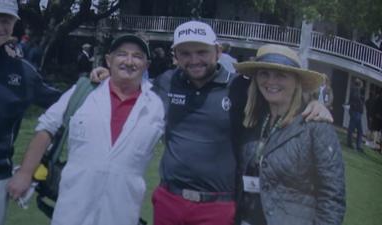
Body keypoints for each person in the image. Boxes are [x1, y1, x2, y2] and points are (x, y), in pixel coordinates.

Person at [90, 21, 332, 225]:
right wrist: (108, 74)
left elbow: (278, 95)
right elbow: (130, 88)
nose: (194, 60)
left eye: (202, 52)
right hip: (168, 200)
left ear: (217, 51)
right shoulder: (165, 82)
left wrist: (314, 104)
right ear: (175, 56)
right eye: (185, 53)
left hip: (218, 206)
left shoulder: (240, 87)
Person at [7, 34, 165, 225]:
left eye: (137, 56)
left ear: (146, 65)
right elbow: (46, 129)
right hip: (72, 209)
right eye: (122, 54)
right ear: (109, 60)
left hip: (122, 211)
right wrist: (25, 173)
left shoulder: (157, 105)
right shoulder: (83, 91)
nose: (129, 61)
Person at [233, 44, 345, 225]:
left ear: (297, 81)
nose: (271, 81)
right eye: (264, 74)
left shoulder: (315, 126)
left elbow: (332, 197)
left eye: (280, 75)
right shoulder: (252, 120)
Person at [0, 1, 62, 225]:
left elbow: (64, 103)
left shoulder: (22, 72)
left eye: (5, 21)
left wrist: (96, 81)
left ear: (14, 24)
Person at [347, 78, 365, 152]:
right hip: (356, 112)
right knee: (354, 129)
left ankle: (356, 145)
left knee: (358, 130)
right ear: (359, 84)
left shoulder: (354, 90)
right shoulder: (356, 90)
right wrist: (360, 101)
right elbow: (355, 99)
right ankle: (352, 144)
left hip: (356, 112)